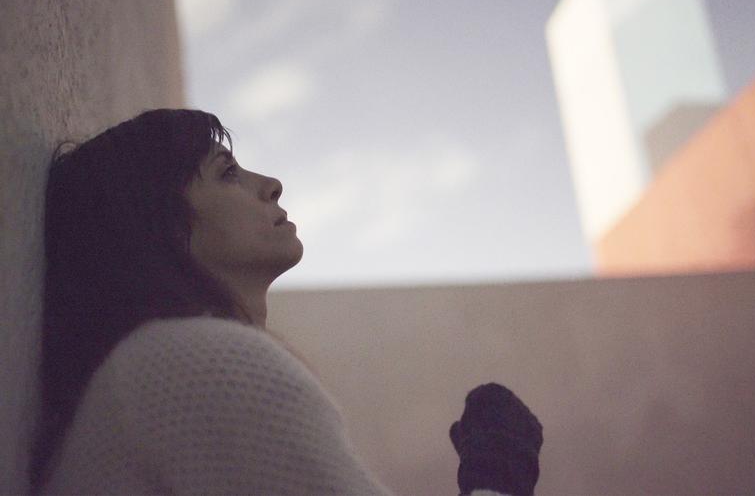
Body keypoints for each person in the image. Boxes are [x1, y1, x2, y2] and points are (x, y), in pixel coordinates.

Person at [29, 108, 542, 495]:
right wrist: (496, 484)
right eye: (227, 173)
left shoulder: (160, 361)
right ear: (157, 225)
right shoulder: (202, 361)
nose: (271, 185)